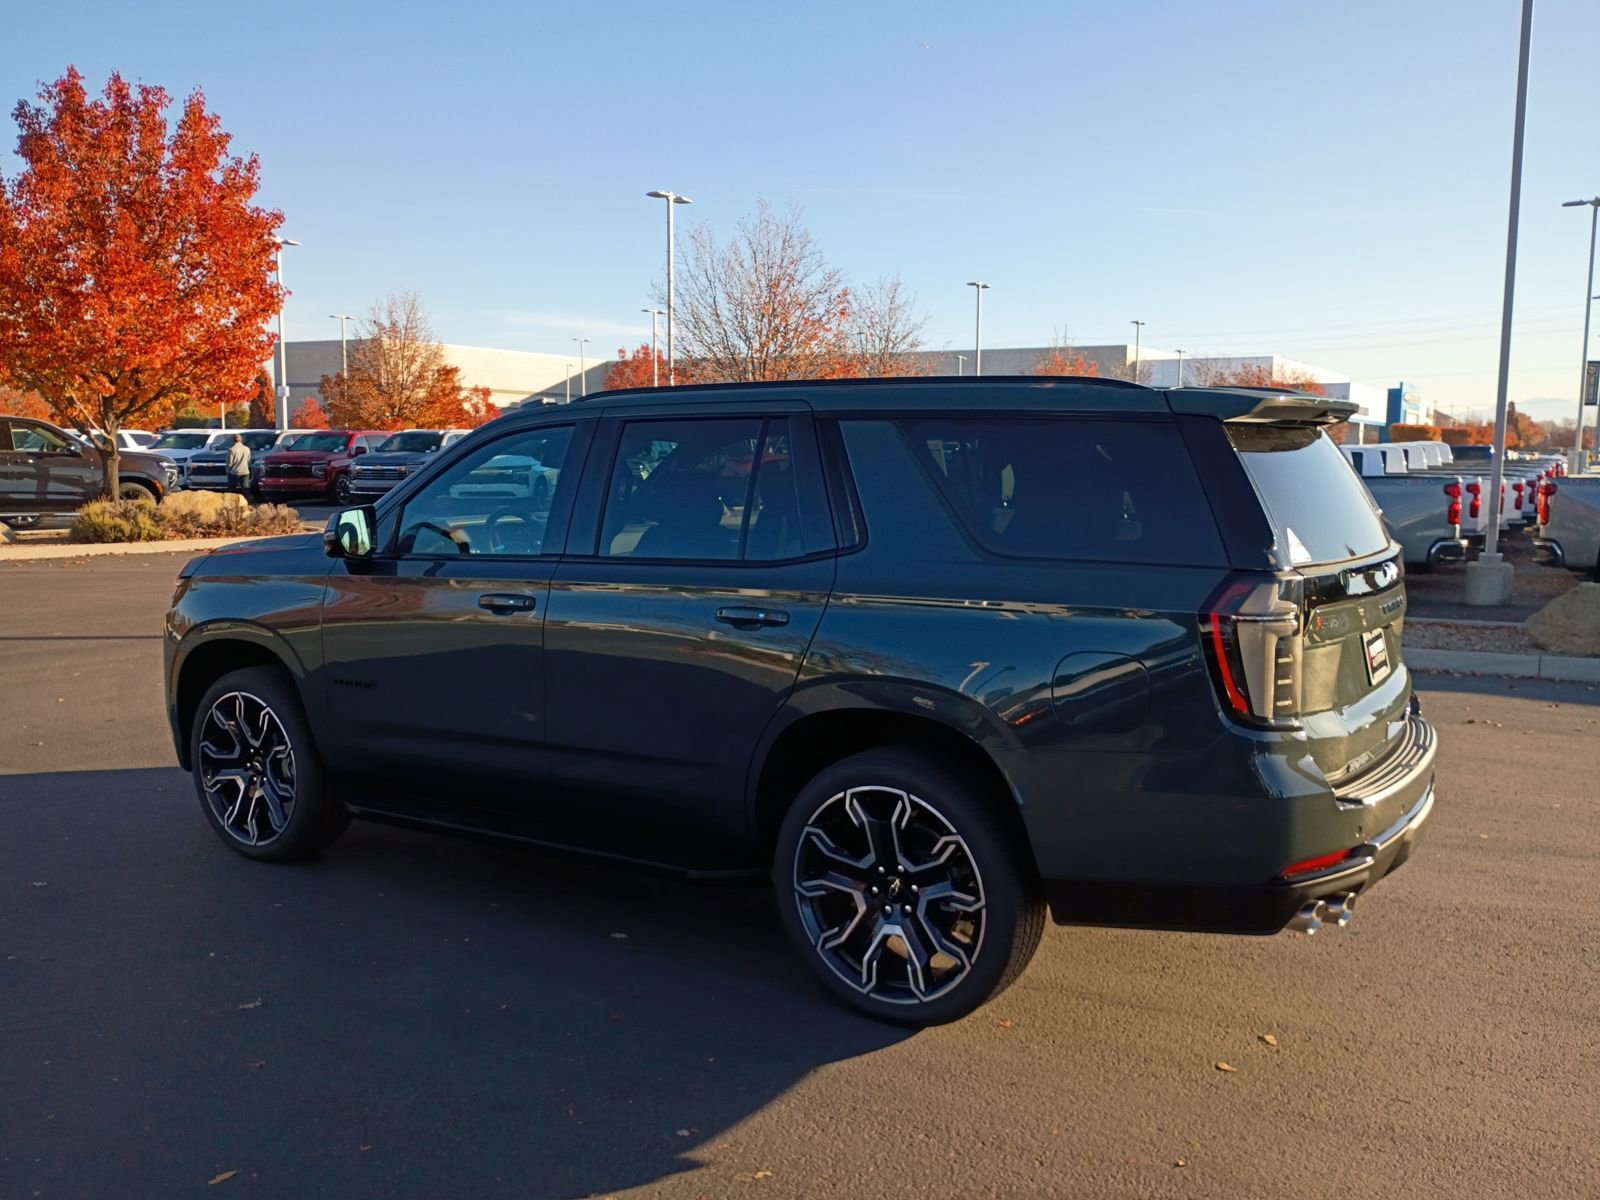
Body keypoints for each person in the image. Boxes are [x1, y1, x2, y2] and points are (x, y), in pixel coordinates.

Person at [226, 434, 251, 499]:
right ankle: (246, 502)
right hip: (245, 471)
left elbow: (230, 463)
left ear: (233, 440)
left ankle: (232, 503)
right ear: (241, 440)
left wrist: (228, 470)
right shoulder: (247, 449)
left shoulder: (231, 449)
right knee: (245, 488)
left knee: (232, 490)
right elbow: (249, 460)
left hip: (234, 472)